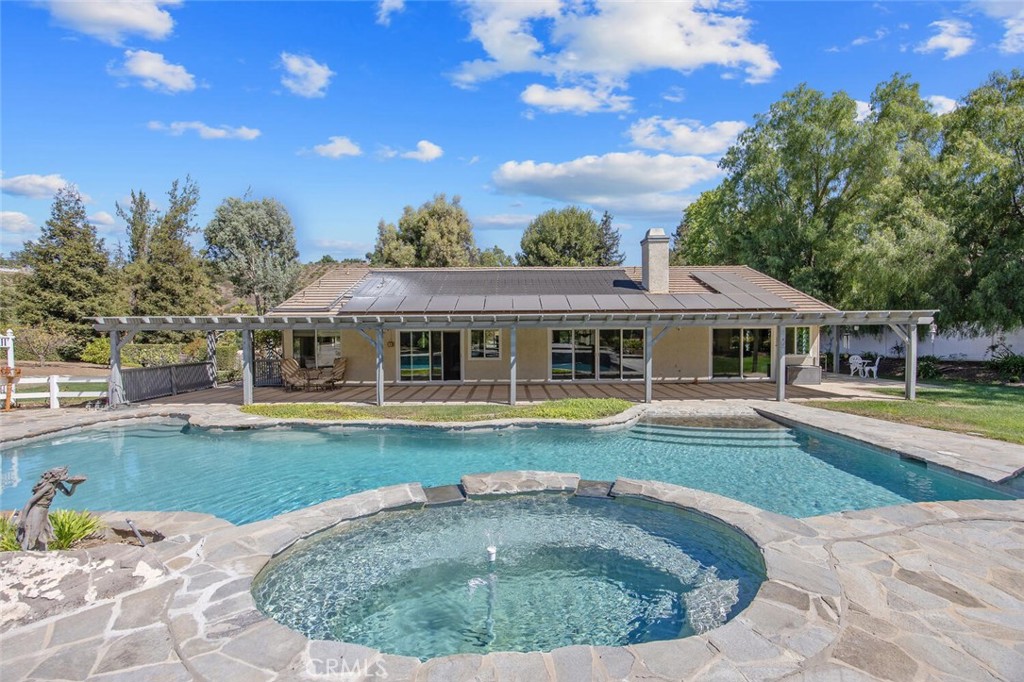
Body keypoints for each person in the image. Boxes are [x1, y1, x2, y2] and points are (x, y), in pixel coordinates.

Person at [16, 466, 86, 551]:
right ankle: (25, 553)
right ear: (57, 476)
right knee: (32, 533)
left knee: (43, 534)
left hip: (44, 511)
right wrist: (23, 519)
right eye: (65, 474)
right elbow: (30, 502)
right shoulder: (47, 486)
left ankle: (42, 552)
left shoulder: (58, 484)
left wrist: (74, 485)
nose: (67, 476)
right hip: (37, 510)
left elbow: (69, 494)